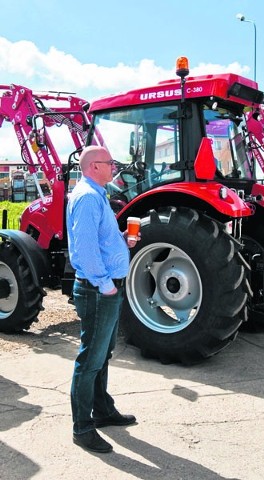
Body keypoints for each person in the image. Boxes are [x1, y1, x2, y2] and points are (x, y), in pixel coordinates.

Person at [67, 146, 138, 454]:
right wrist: (105, 285)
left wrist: (122, 240)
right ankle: (82, 428)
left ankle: (103, 410)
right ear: (95, 166)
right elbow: (84, 250)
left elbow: (98, 240)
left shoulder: (97, 195)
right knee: (90, 360)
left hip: (105, 289)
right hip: (99, 291)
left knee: (102, 355)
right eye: (111, 163)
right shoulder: (86, 197)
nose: (115, 167)